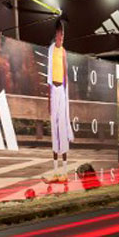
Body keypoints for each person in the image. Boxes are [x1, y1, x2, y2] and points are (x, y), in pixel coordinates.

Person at [47, 18, 74, 180]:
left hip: (62, 92)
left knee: (62, 127)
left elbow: (65, 75)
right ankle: (55, 171)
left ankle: (64, 171)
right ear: (56, 34)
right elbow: (49, 76)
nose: (61, 38)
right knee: (54, 128)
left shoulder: (64, 52)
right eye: (60, 34)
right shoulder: (51, 50)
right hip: (53, 91)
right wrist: (48, 100)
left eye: (63, 35)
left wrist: (65, 97)